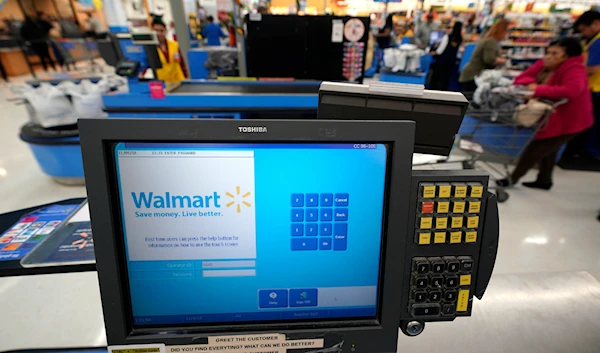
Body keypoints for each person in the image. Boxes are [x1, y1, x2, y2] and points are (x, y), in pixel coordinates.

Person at [496, 38, 594, 190]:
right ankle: (544, 181)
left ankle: (511, 179)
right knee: (549, 148)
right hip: (554, 115)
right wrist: (531, 84)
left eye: (555, 53)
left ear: (567, 55)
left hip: (571, 119)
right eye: (548, 52)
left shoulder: (575, 68)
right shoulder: (545, 64)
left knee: (538, 147)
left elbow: (572, 91)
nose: (548, 56)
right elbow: (520, 78)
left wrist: (537, 89)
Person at [562, 10, 600, 160]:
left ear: (596, 23)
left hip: (595, 89)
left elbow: (592, 68)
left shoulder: (598, 41)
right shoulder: (593, 40)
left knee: (590, 123)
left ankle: (588, 153)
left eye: (584, 29)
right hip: (592, 87)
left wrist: (568, 75)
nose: (583, 33)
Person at [459, 19, 509, 93]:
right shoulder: (491, 42)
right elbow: (489, 59)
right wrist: (503, 61)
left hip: (471, 75)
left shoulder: (490, 40)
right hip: (473, 76)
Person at [429, 21, 463, 91]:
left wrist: (434, 52)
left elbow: (440, 50)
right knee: (445, 80)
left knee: (436, 79)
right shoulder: (459, 38)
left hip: (441, 61)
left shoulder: (447, 37)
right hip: (451, 62)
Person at [152, 18, 187, 83]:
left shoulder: (175, 45)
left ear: (166, 31)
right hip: (162, 83)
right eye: (156, 31)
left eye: (161, 31)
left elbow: (182, 63)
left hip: (178, 81)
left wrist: (186, 78)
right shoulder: (151, 49)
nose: (159, 33)